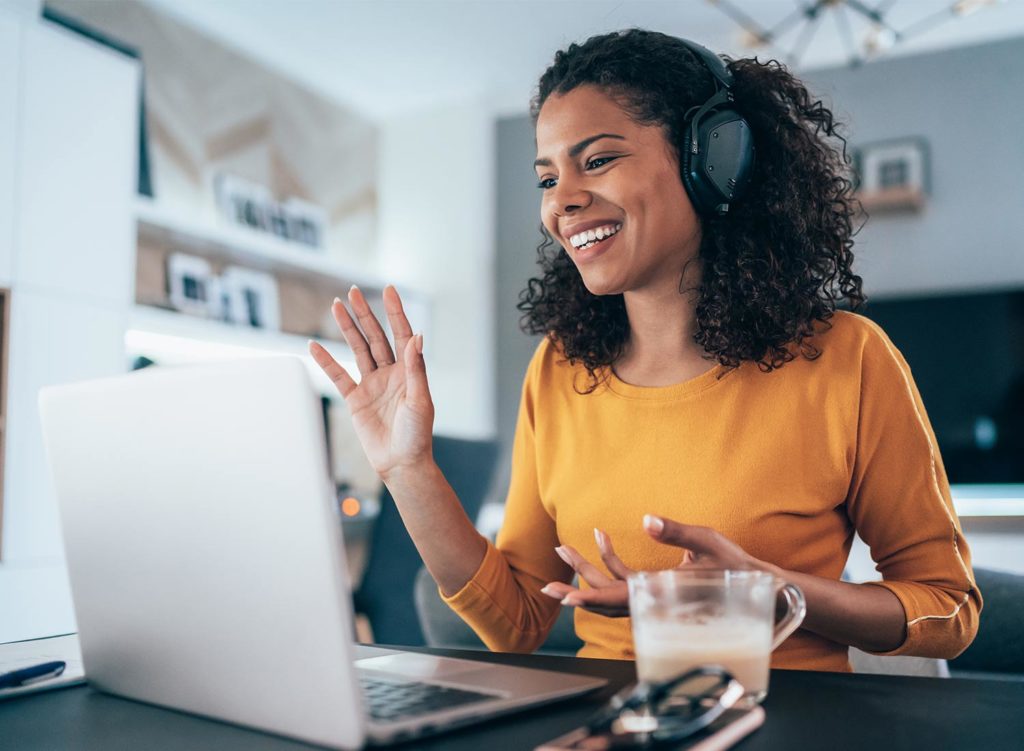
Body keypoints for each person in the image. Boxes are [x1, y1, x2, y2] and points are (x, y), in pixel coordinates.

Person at [309, 29, 980, 673]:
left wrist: (768, 590)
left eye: (598, 160)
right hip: (611, 722)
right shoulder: (560, 369)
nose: (563, 201)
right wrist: (409, 470)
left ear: (713, 160)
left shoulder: (847, 358)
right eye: (547, 178)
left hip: (784, 715)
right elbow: (517, 622)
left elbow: (949, 610)